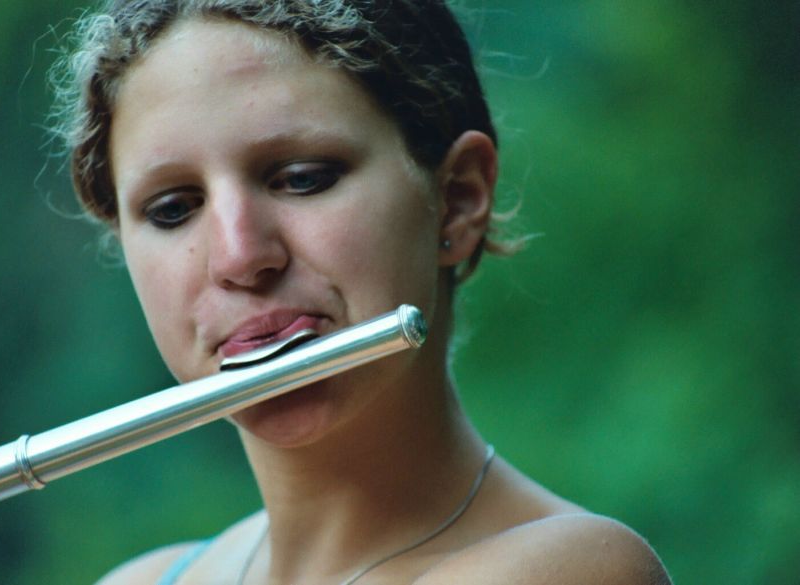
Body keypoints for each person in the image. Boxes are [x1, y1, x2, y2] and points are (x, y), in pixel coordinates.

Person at [50, 1, 672, 583]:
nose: (240, 257)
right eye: (172, 209)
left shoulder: (577, 568)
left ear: (457, 199)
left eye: (303, 178)